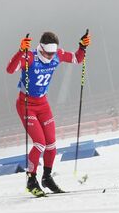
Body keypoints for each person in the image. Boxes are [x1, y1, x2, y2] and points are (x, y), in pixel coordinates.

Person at [6, 31, 90, 197]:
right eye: (48, 53)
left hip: (43, 104)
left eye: (53, 53)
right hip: (26, 105)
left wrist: (82, 46)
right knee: (40, 143)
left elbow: (77, 58)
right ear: (41, 49)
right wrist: (20, 51)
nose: (51, 56)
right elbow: (10, 69)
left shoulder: (57, 54)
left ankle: (47, 177)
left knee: (51, 145)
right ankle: (31, 180)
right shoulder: (29, 57)